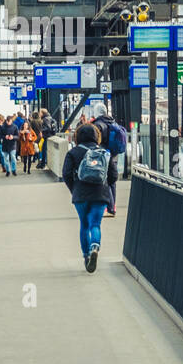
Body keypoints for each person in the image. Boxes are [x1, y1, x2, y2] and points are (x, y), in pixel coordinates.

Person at [62, 122, 117, 273]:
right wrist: (106, 185)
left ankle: (86, 256)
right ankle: (95, 247)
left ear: (78, 136)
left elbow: (66, 174)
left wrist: (74, 189)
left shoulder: (73, 153)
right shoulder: (105, 152)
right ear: (96, 135)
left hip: (80, 194)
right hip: (100, 194)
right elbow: (113, 175)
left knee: (84, 225)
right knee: (95, 224)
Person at [91, 109, 128, 217]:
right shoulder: (113, 122)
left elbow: (95, 141)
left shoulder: (98, 124)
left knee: (104, 180)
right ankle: (113, 207)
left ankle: (109, 207)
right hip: (114, 155)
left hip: (103, 155)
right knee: (112, 181)